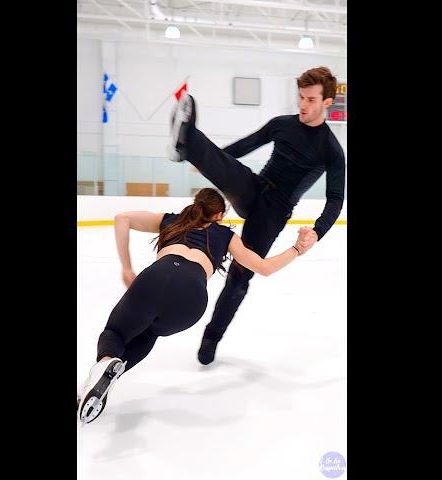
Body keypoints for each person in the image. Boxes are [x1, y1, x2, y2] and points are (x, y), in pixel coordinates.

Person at [77, 188, 314, 424]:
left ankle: (105, 364)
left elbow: (122, 218)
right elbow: (264, 268)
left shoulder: (171, 220)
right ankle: (103, 380)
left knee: (115, 333)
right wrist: (297, 249)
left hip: (158, 276)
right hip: (193, 299)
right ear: (219, 215)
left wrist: (127, 268)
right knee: (150, 332)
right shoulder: (226, 235)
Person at [168, 66, 346, 365]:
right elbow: (243, 147)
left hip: (274, 213)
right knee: (232, 171)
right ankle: (187, 141)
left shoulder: (331, 150)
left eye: (312, 99)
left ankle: (212, 337)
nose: (304, 104)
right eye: (301, 97)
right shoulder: (282, 124)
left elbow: (336, 198)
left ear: (327, 102)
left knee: (240, 276)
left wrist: (317, 230)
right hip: (255, 188)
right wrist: (210, 161)